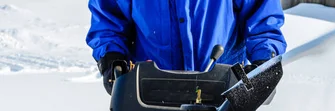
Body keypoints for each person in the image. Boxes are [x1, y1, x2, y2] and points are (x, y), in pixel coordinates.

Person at [86, 0, 288, 95]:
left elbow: (263, 23)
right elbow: (108, 21)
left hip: (223, 93)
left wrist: (264, 62)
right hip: (151, 96)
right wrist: (111, 57)